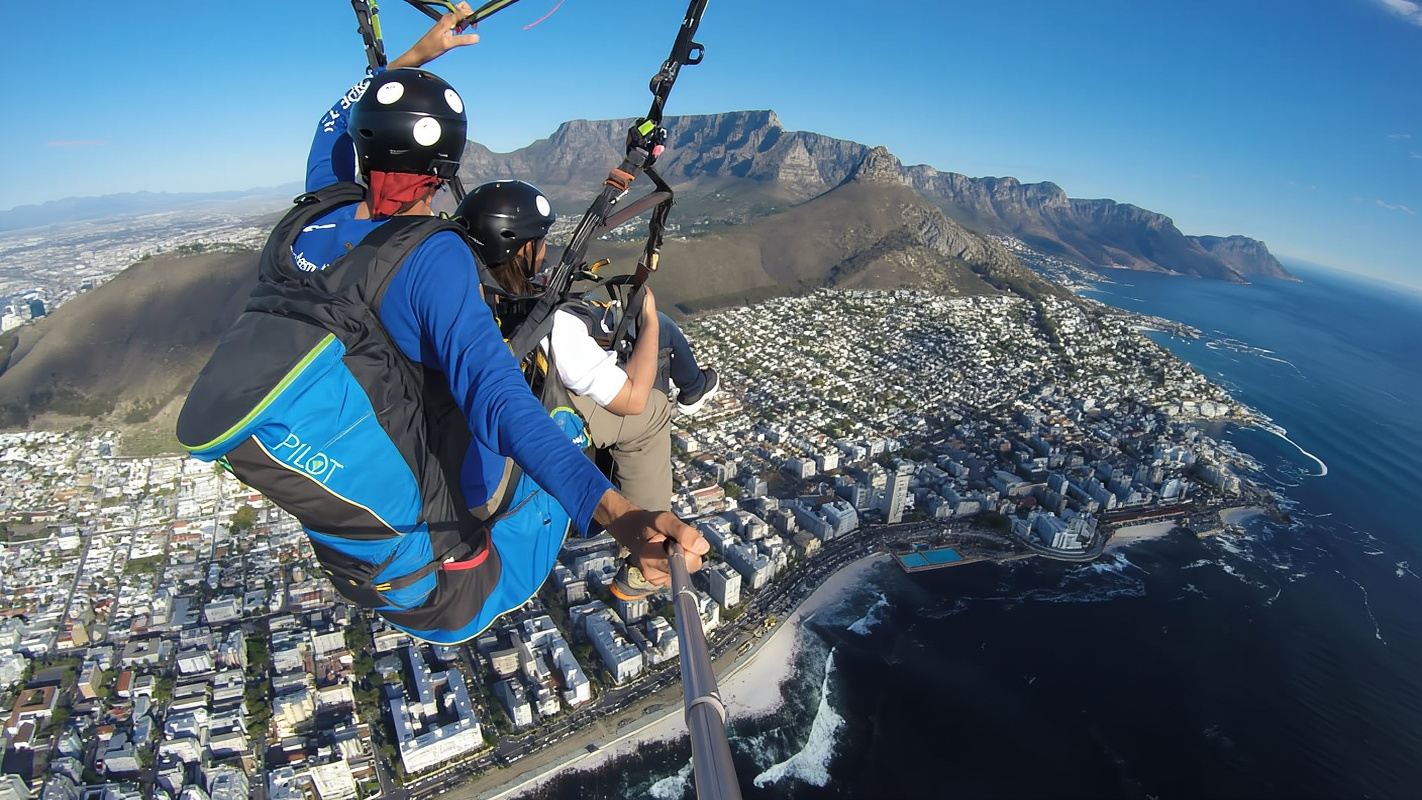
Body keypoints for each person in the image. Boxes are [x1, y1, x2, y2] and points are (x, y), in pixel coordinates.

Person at [177, 6, 707, 642]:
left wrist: (413, 57)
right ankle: (634, 566)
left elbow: (331, 125)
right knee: (608, 418)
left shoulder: (309, 218)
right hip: (460, 556)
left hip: (372, 526)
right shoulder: (430, 260)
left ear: (363, 144)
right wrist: (617, 513)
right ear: (446, 168)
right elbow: (496, 398)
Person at [456, 180, 721, 598]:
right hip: (533, 420)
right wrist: (649, 318)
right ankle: (643, 557)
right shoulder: (549, 325)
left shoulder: (460, 300)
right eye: (540, 242)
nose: (544, 250)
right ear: (523, 250)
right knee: (650, 411)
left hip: (492, 406)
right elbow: (631, 399)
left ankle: (694, 386)